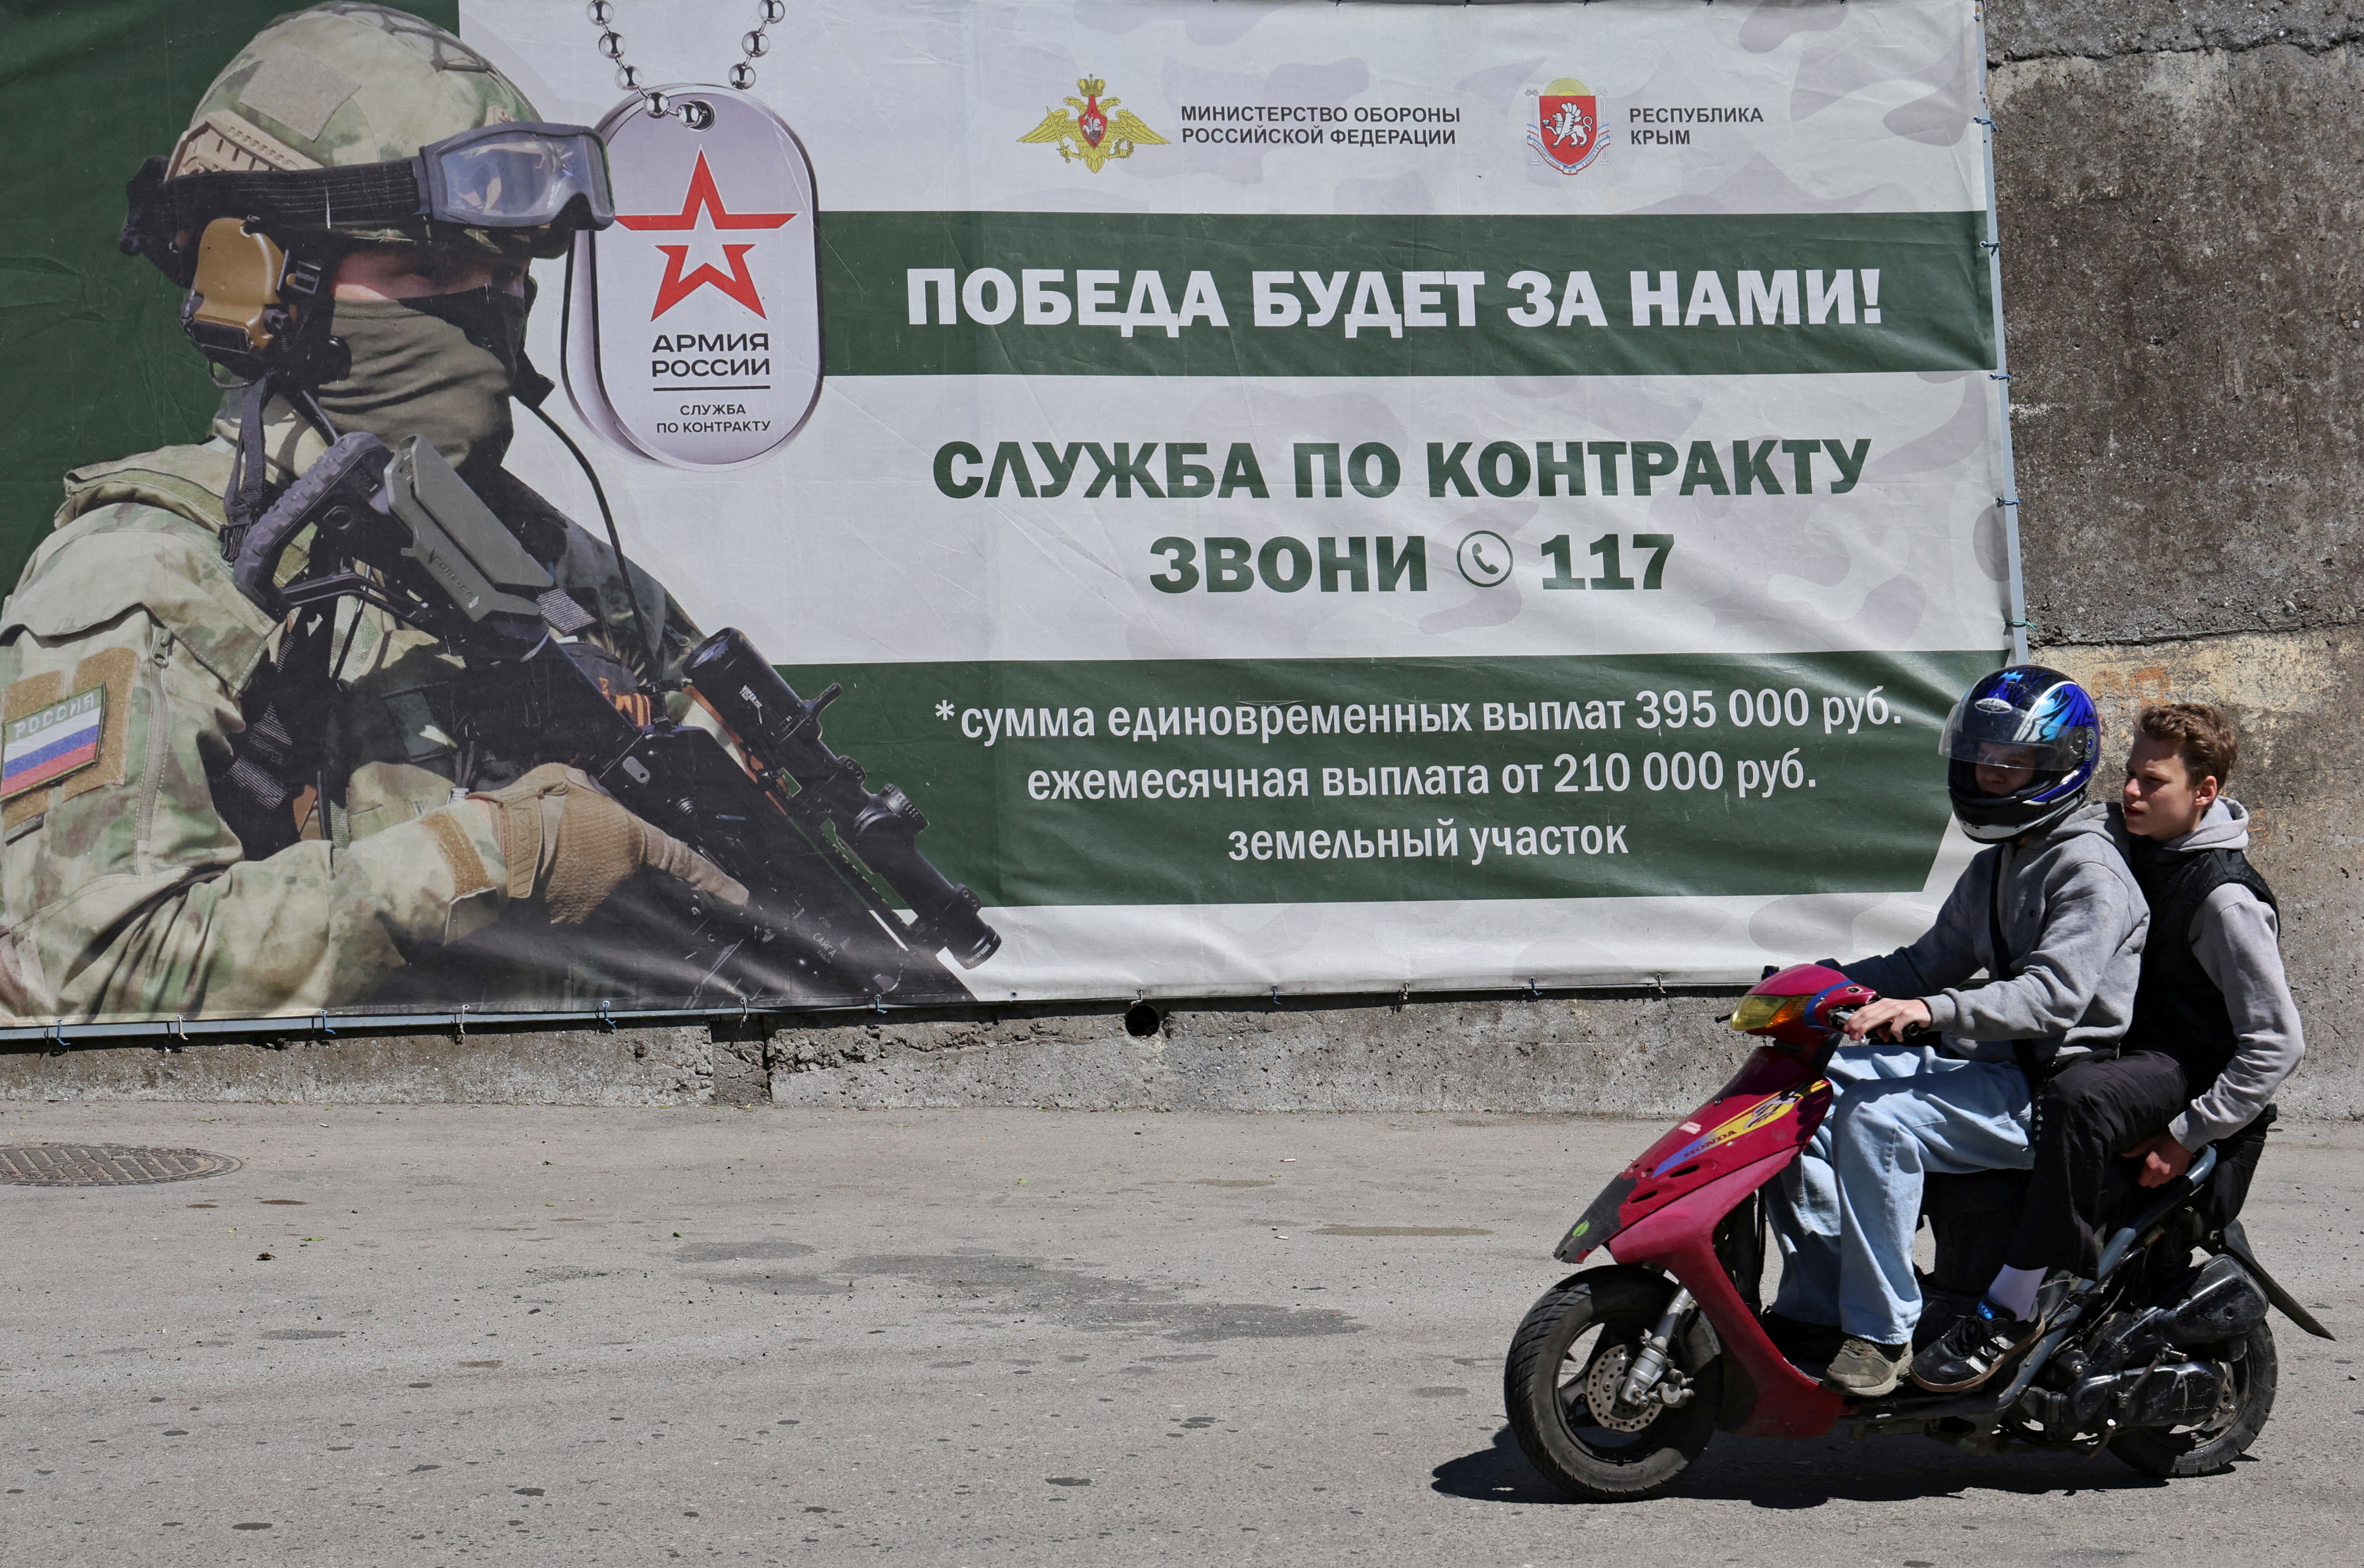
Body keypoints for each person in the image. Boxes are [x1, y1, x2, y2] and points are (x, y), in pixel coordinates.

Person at [0, 4, 738, 1022]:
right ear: (264, 283)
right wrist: (491, 860)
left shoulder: (580, 585)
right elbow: (79, 965)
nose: (487, 308)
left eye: (511, 276)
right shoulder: (156, 570)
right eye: (431, 272)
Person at [1763, 666, 2147, 1396]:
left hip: (2051, 1092)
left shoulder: (2089, 869)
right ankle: (1818, 1302)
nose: (1990, 774)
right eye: (1982, 758)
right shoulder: (2002, 860)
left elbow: (2051, 997)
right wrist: (1816, 983)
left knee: (1879, 1121)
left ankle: (1880, 1334)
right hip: (1997, 1074)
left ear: (2061, 765)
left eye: (2012, 763)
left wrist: (1930, 1013)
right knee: (1805, 1091)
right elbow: (1925, 961)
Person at [1910, 701, 2303, 1391]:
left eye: (2152, 782)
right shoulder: (2131, 848)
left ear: (2203, 792)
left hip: (2184, 1073)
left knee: (2078, 1098)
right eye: (2127, 775)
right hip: (2130, 1057)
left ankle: (2015, 1301)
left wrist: (2187, 1134)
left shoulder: (2223, 899)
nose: (2129, 792)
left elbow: (2275, 1042)